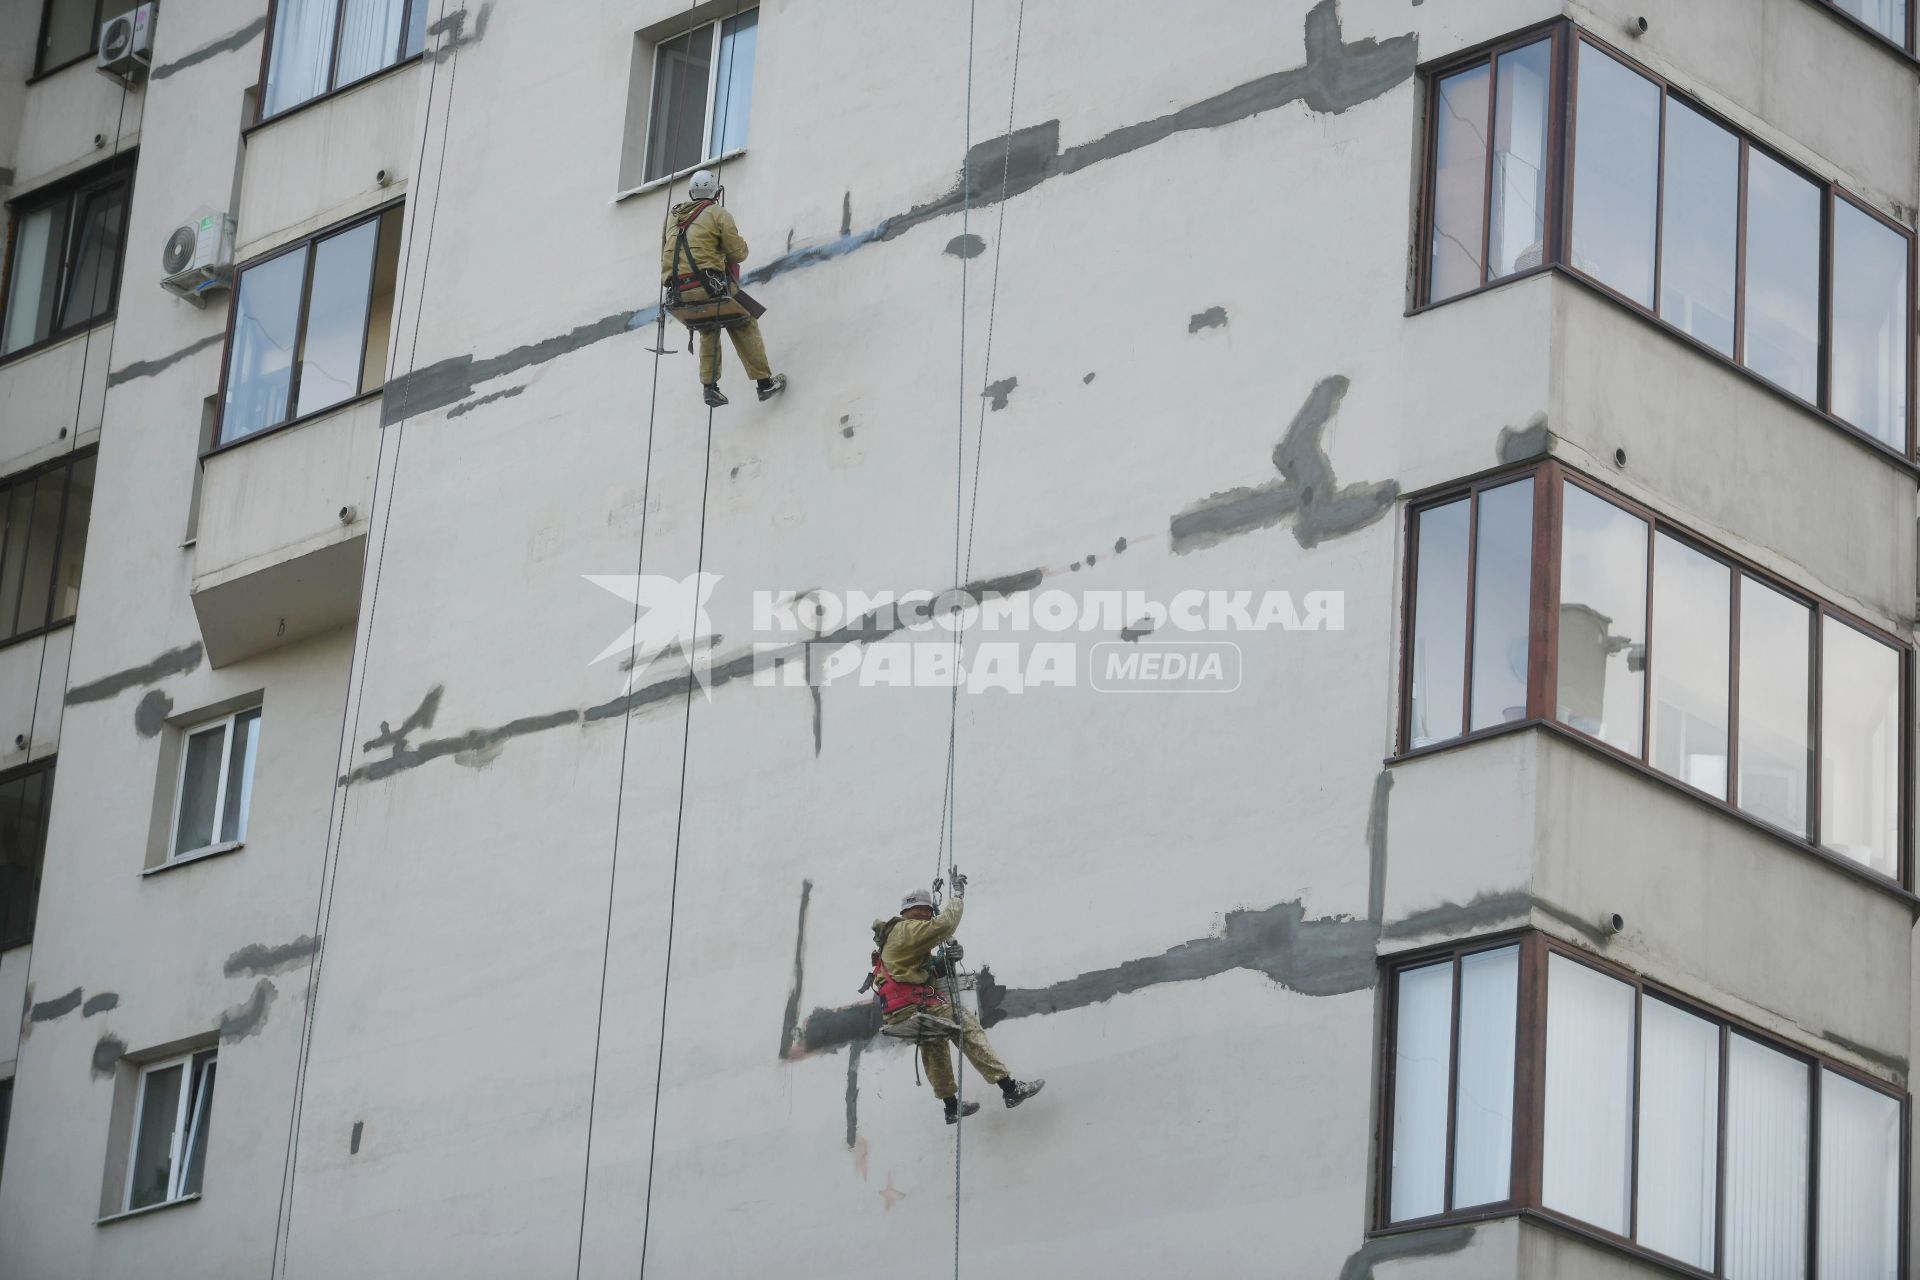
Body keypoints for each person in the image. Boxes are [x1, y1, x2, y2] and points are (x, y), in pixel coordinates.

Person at [870, 871, 1044, 1124]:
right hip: (915, 1006)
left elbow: (922, 972)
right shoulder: (906, 929)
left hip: (902, 1010)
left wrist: (945, 959)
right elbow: (945, 925)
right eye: (928, 911)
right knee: (965, 1025)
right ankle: (1010, 1088)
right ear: (919, 910)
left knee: (934, 1043)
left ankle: (950, 1106)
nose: (930, 916)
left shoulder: (898, 937)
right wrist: (958, 896)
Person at [660, 169, 786, 409]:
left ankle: (710, 388)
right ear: (715, 192)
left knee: (708, 326)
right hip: (708, 286)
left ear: (691, 193)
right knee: (744, 321)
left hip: (677, 293)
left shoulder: (672, 218)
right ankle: (764, 383)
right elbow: (739, 253)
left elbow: (666, 252)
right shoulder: (718, 213)